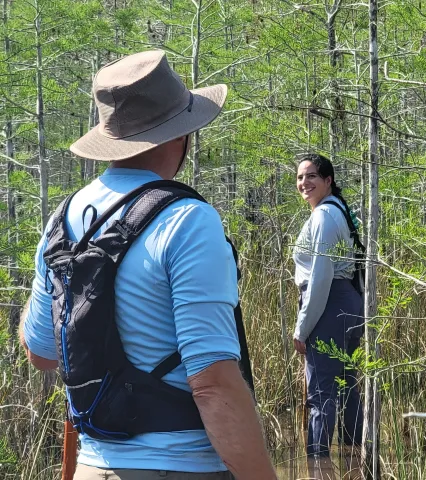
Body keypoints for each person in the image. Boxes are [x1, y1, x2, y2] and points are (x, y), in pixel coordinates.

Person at [19, 50, 277, 480]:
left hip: (93, 466)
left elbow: (41, 353)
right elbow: (212, 382)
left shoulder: (61, 220)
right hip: (181, 467)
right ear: (182, 135)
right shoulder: (189, 220)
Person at [292, 153, 364, 479]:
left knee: (321, 397)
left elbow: (320, 277)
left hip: (328, 306)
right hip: (351, 304)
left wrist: (302, 328)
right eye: (300, 177)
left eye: (311, 177)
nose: (304, 183)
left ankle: (318, 473)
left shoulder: (323, 216)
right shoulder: (343, 212)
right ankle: (353, 469)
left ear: (328, 180)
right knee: (348, 390)